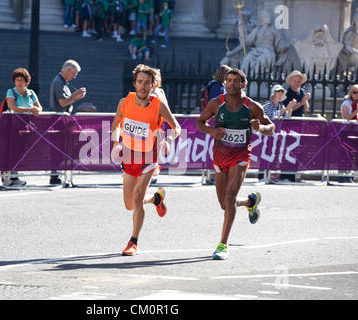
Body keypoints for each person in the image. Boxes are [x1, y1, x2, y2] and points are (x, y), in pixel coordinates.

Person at [196, 68, 275, 260]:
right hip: (220, 156)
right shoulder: (216, 103)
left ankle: (222, 245)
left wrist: (261, 128)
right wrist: (212, 132)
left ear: (243, 84)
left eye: (236, 80)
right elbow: (200, 122)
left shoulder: (252, 107)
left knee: (230, 197)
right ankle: (250, 201)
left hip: (240, 156)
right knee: (225, 204)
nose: (231, 83)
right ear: (224, 83)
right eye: (228, 80)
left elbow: (271, 127)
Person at [111, 64, 181, 256]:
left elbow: (176, 127)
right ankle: (156, 198)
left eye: (147, 83)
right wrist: (117, 142)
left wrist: (167, 139)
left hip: (148, 157)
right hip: (129, 156)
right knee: (129, 204)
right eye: (140, 82)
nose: (143, 86)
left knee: (137, 197)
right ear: (134, 83)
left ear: (153, 86)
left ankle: (133, 242)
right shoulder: (125, 102)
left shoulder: (159, 105)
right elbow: (116, 124)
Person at [2, 68, 43, 187]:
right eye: (17, 80)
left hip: (27, 126)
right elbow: (13, 107)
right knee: (12, 151)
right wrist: (30, 109)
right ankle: (7, 177)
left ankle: (15, 176)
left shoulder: (31, 93)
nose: (19, 82)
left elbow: (39, 107)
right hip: (14, 125)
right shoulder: (11, 92)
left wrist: (37, 110)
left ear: (26, 81)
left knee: (20, 152)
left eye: (21, 80)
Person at [50, 60, 86, 185]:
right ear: (68, 70)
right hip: (59, 119)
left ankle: (57, 174)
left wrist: (76, 97)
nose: (75, 76)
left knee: (63, 148)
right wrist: (75, 95)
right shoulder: (58, 82)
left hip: (64, 119)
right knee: (58, 148)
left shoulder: (63, 82)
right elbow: (62, 103)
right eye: (74, 73)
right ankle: (54, 175)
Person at [338, 84, 358, 183]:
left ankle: (350, 176)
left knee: (354, 155)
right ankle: (343, 177)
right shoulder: (347, 103)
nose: (357, 94)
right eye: (355, 92)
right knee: (345, 154)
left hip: (356, 131)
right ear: (351, 93)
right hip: (347, 131)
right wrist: (356, 111)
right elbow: (345, 117)